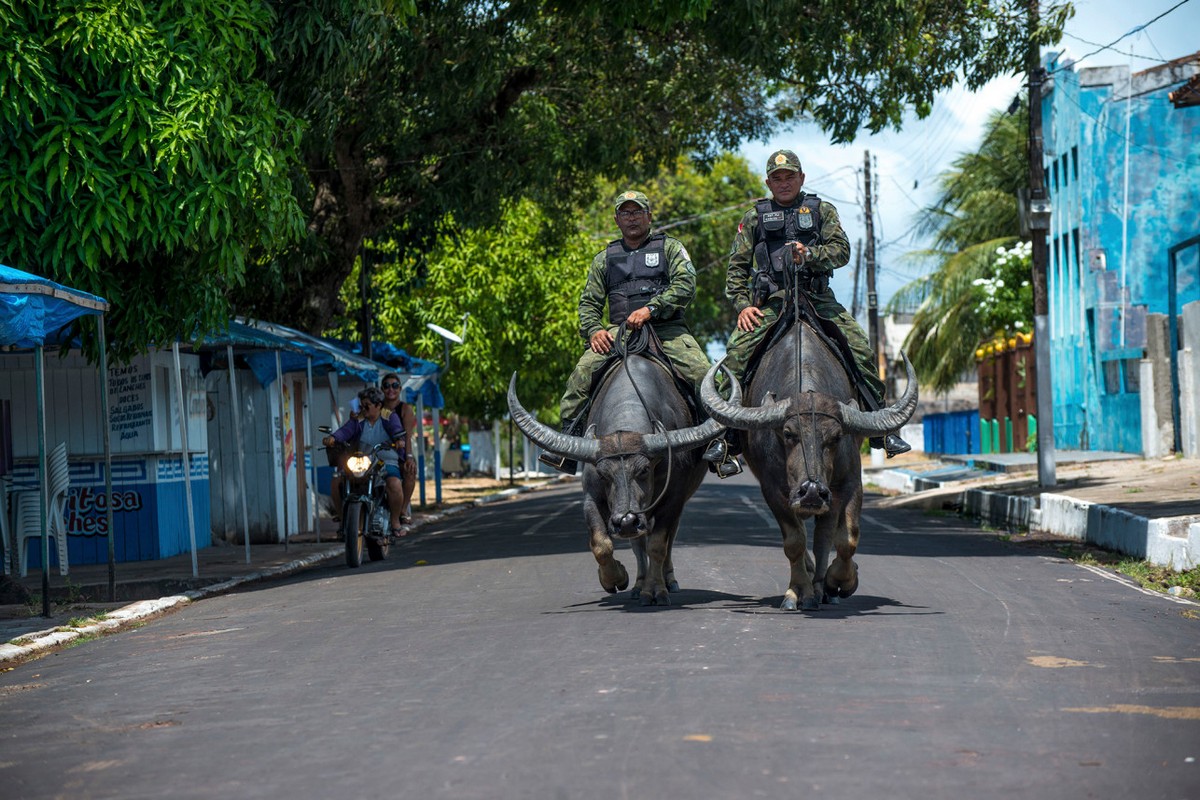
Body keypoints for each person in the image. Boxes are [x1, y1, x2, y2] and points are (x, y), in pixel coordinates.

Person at [706, 149, 911, 466]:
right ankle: (726, 436)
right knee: (736, 356)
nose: (784, 183)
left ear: (801, 178)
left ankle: (882, 429)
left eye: (790, 176)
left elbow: (841, 251)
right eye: (777, 178)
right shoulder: (753, 217)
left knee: (860, 348)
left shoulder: (821, 210)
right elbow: (735, 270)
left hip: (817, 298)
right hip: (772, 302)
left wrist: (810, 255)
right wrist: (743, 306)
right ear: (768, 182)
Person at [540, 189, 723, 475]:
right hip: (619, 332)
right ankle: (568, 443)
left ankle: (720, 443)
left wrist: (652, 309)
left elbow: (686, 284)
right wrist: (593, 330)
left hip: (667, 330)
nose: (632, 218)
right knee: (581, 374)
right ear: (616, 219)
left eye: (637, 212)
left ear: (649, 216)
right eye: (625, 213)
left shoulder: (670, 248)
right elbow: (588, 302)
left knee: (704, 374)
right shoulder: (604, 258)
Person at [323, 386, 409, 537]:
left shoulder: (389, 416)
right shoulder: (359, 419)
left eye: (367, 406)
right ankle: (344, 522)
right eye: (362, 405)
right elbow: (345, 431)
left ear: (378, 405)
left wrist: (399, 440)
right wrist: (333, 438)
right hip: (362, 460)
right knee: (336, 481)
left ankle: (395, 522)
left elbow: (397, 430)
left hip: (386, 460)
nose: (363, 409)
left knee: (394, 483)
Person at [379, 371, 418, 525]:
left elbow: (408, 435)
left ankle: (402, 509)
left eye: (395, 386)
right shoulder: (376, 407)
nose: (391, 389)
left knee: (409, 471)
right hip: (377, 452)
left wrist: (408, 457)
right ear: (382, 389)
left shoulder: (405, 409)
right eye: (387, 386)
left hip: (399, 452)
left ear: (400, 388)